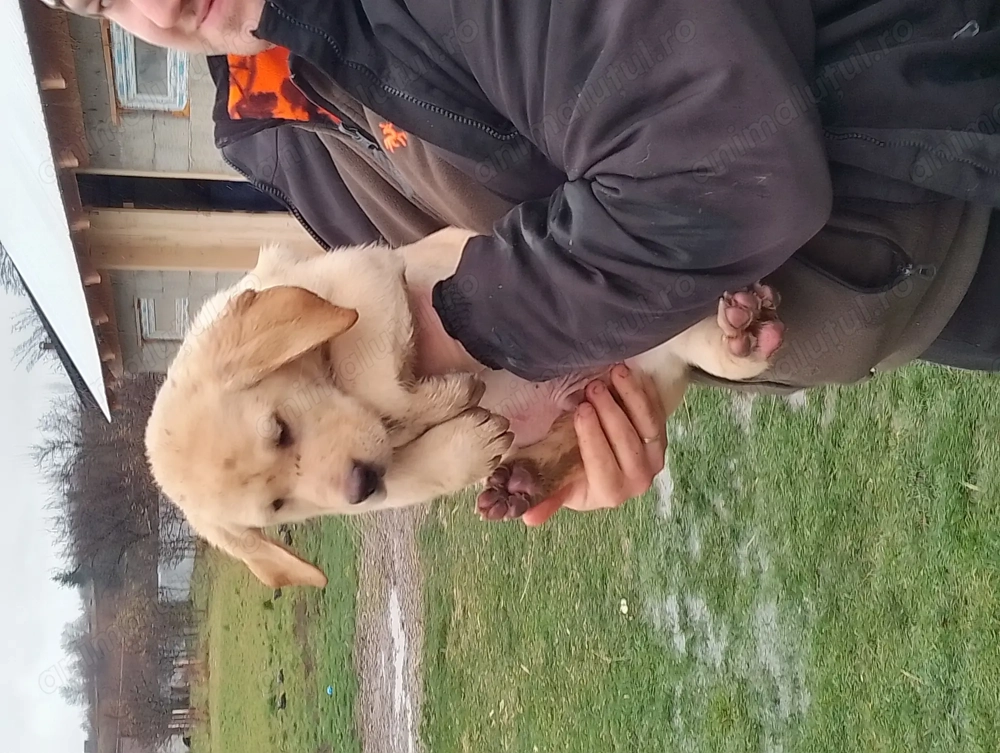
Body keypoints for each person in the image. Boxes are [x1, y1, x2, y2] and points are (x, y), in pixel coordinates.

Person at [41, 0, 1000, 524]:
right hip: (896, 298)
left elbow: (722, 161)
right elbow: (569, 256)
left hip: (944, 149)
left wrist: (446, 323)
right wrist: (595, 407)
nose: (155, 5)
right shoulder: (269, 122)